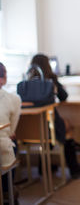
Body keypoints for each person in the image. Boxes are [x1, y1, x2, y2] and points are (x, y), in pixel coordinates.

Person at [29, 54, 80, 179]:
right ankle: (74, 168)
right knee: (66, 127)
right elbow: (64, 96)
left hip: (32, 130)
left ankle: (43, 168)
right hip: (50, 127)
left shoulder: (25, 83)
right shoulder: (50, 80)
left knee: (46, 132)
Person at [0, 62, 21, 201]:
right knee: (11, 142)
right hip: (2, 143)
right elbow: (11, 129)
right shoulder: (13, 99)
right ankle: (8, 191)